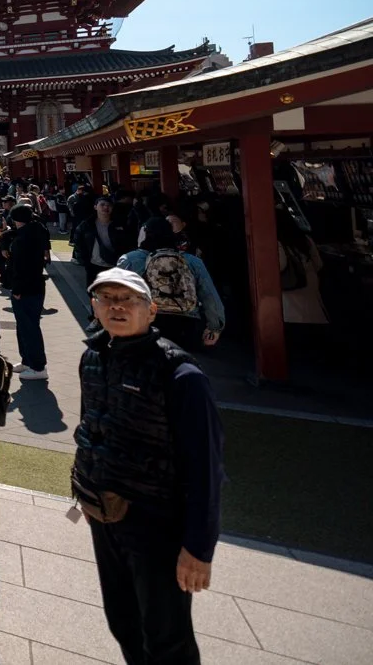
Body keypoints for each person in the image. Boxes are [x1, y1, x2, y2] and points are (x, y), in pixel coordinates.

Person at [74, 268, 223, 665]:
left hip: (157, 522)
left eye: (128, 300)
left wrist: (199, 547)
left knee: (166, 637)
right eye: (107, 299)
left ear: (151, 310)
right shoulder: (93, 357)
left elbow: (206, 468)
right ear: (94, 307)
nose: (116, 307)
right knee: (123, 620)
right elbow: (92, 427)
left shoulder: (181, 375)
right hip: (105, 514)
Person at [116, 218, 225, 350]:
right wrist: (214, 328)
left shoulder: (130, 260)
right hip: (186, 326)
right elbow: (210, 297)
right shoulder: (192, 261)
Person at [4, 204, 52, 382]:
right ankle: (27, 360)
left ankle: (38, 366)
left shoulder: (24, 238)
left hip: (26, 288)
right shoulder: (35, 230)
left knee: (29, 327)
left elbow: (23, 267)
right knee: (23, 326)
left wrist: (17, 289)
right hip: (34, 286)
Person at [73, 196, 136, 285]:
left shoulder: (121, 224)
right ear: (95, 207)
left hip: (115, 265)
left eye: (109, 205)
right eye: (102, 205)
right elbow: (78, 242)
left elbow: (128, 243)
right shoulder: (87, 225)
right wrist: (83, 260)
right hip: (94, 264)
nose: (106, 207)